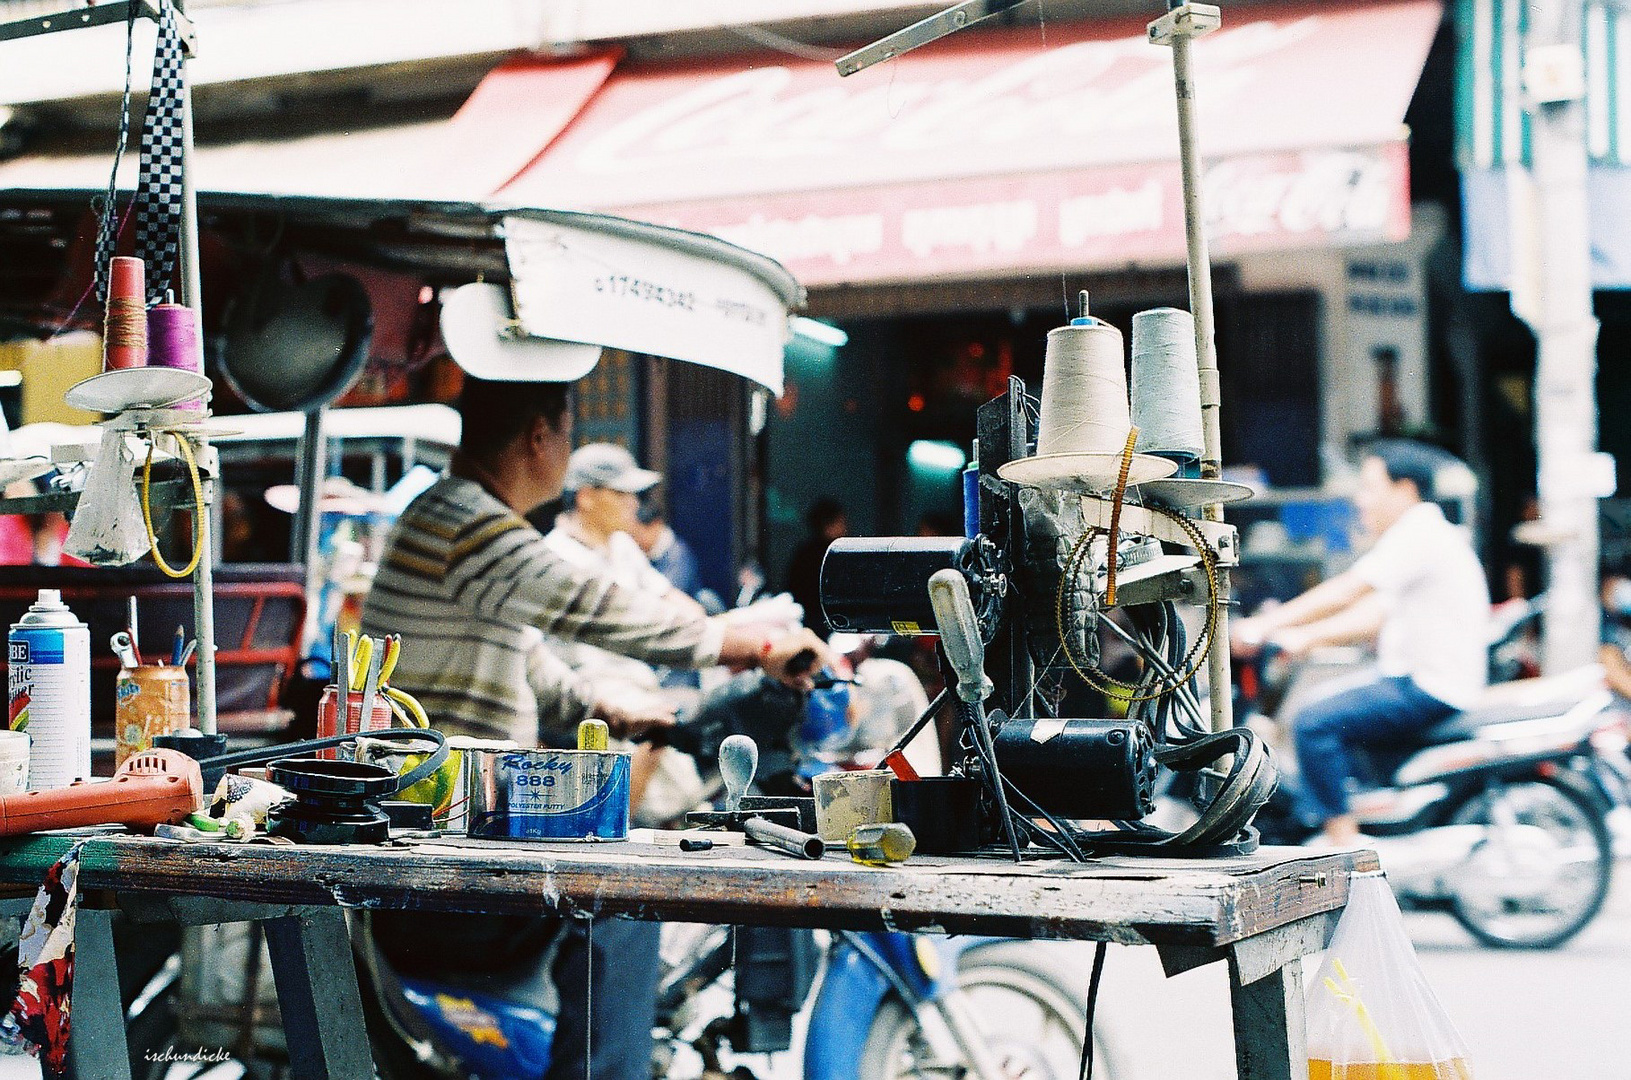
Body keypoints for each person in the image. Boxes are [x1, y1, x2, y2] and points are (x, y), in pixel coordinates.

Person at [361, 378, 824, 1080]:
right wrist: (751, 645)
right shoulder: (466, 520)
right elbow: (595, 610)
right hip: (436, 862)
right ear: (540, 438)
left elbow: (545, 679)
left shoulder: (462, 522)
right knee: (623, 893)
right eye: (567, 437)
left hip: (449, 842)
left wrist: (622, 710)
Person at [1233, 440, 1490, 847]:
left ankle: (1344, 845)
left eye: (1370, 487)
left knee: (1313, 722)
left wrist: (1264, 625)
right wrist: (1303, 638)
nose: (1359, 499)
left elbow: (1349, 591)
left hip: (1426, 686)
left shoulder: (1419, 530)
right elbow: (1375, 615)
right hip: (1420, 680)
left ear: (1404, 489)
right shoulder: (1424, 534)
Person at [783, 498, 846, 638]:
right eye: (841, 522)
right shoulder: (836, 555)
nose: (846, 528)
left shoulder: (803, 553)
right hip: (827, 629)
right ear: (828, 525)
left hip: (806, 626)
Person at [630, 492, 706, 604]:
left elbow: (665, 598)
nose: (635, 539)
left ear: (656, 525)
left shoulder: (678, 556)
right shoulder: (639, 551)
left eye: (638, 533)